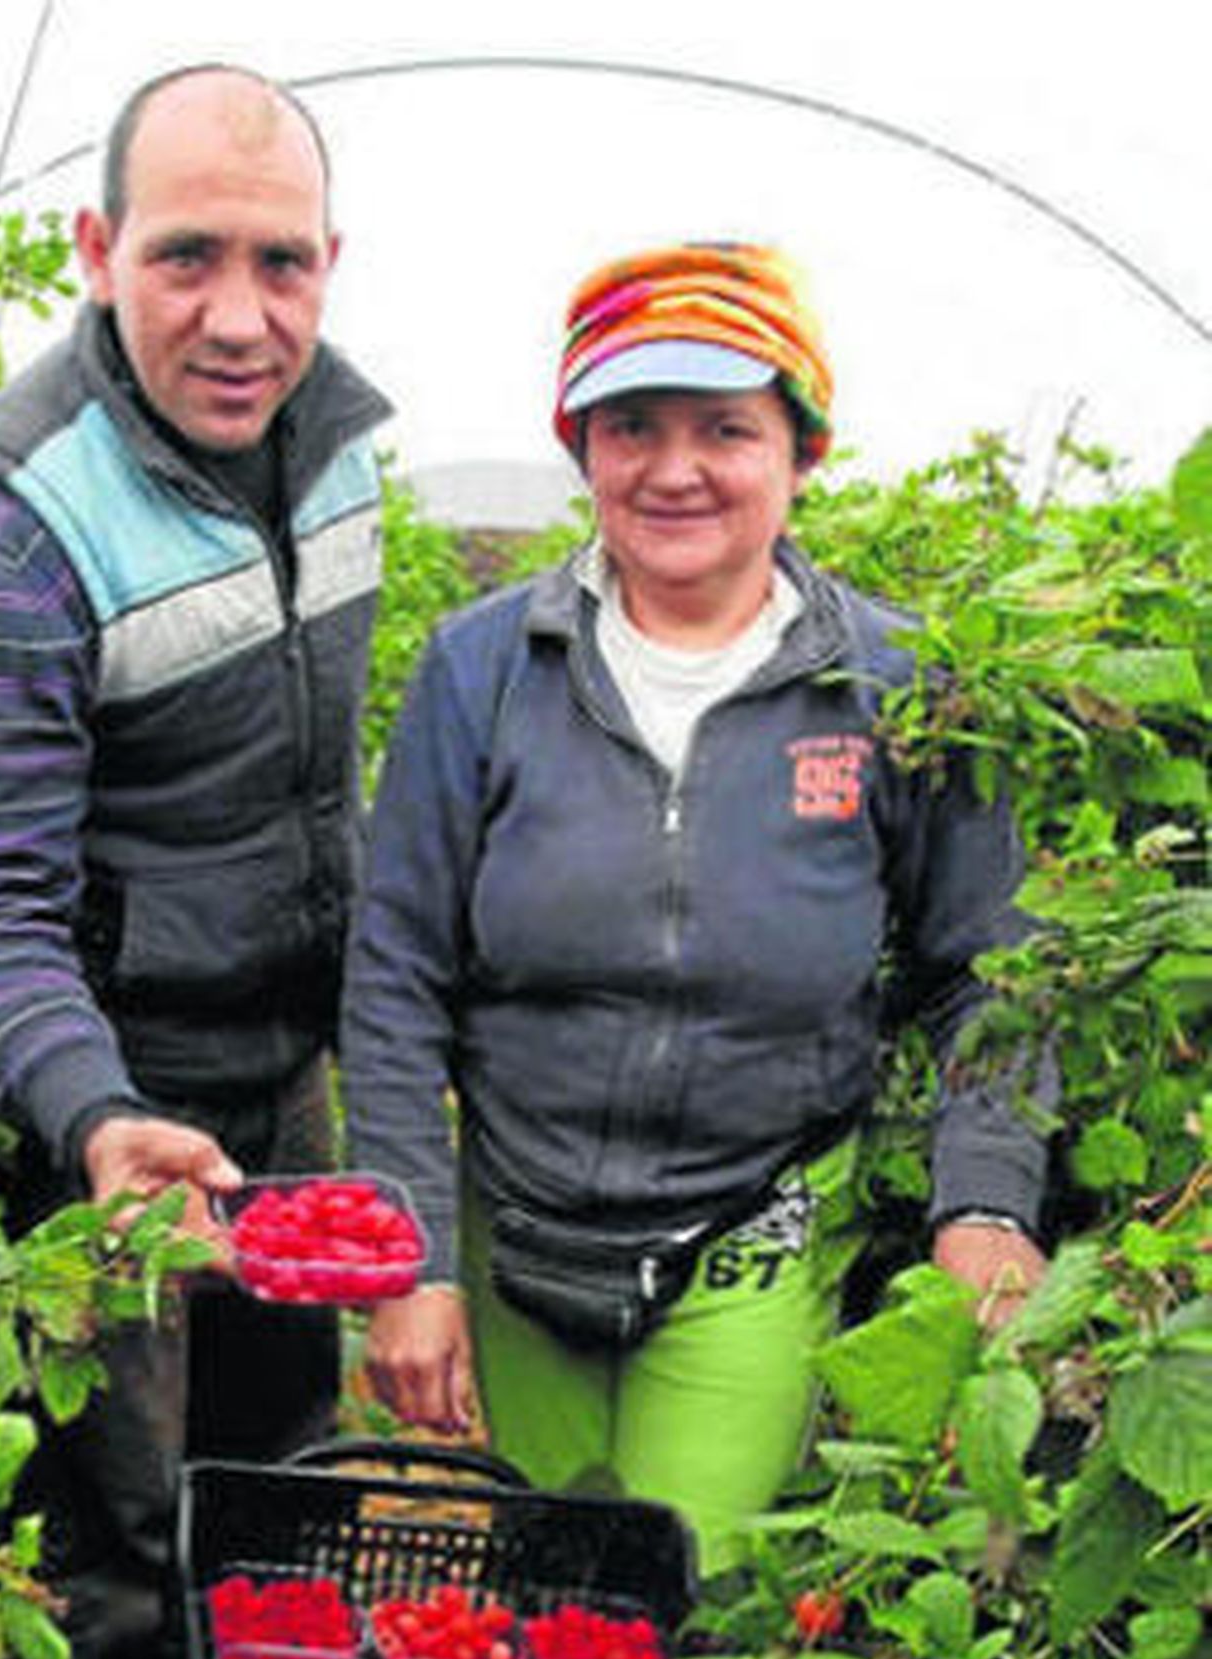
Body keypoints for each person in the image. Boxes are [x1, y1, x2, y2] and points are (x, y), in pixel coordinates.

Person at [0, 64, 391, 1659]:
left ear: (332, 266)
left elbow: (314, 794)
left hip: (278, 1093)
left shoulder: (336, 445)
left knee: (269, 1508)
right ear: (100, 252)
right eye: (187, 259)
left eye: (282, 263)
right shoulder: (9, 517)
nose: (239, 317)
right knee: (109, 1555)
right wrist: (99, 1118)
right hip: (99, 1115)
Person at [341, 242, 1049, 1576]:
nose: (675, 470)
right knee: (547, 1580)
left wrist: (988, 1204)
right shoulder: (484, 669)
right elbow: (395, 976)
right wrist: (414, 1260)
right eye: (630, 427)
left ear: (804, 450)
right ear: (583, 448)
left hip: (748, 1227)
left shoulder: (898, 688)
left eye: (726, 427)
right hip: (519, 1226)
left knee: (685, 1583)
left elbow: (988, 972)